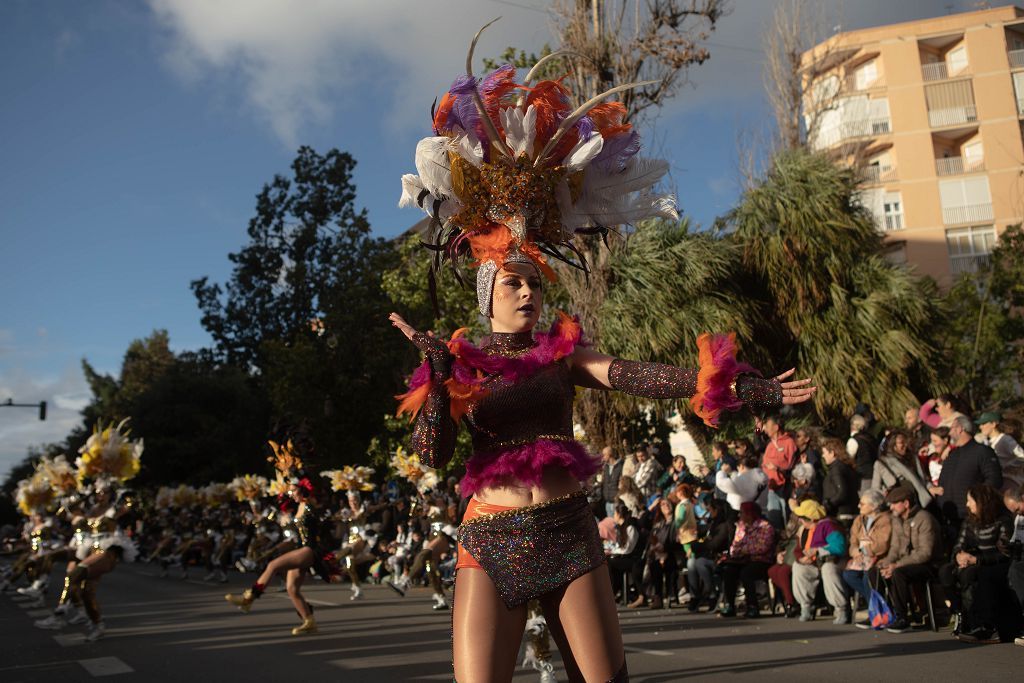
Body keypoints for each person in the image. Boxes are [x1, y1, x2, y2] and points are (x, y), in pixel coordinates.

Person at [392, 43, 815, 681]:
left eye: (536, 281)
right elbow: (430, 454)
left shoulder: (564, 354)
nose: (530, 291)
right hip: (490, 537)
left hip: (567, 530)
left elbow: (634, 375)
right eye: (515, 282)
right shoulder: (461, 362)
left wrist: (733, 386)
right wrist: (442, 374)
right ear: (487, 294)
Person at [225, 443, 337, 636]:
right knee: (292, 589)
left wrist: (297, 471)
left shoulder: (309, 505)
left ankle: (249, 597)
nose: (291, 493)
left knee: (273, 565)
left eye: (294, 490)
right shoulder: (299, 508)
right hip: (302, 548)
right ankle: (309, 621)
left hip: (309, 550)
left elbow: (308, 484)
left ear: (303, 491)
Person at [938, 484, 1013, 643]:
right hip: (970, 559)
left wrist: (976, 560)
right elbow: (960, 543)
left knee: (971, 575)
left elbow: (1005, 552)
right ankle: (958, 612)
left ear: (982, 502)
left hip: (990, 562)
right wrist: (959, 556)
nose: (967, 504)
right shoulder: (970, 521)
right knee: (946, 572)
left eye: (970, 500)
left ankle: (978, 623)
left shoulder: (1003, 520)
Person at [877, 486, 943, 633]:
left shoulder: (924, 518)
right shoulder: (897, 519)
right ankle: (883, 614)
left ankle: (902, 618)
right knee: (877, 570)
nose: (891, 507)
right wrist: (886, 563)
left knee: (898, 573)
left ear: (906, 504)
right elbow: (895, 548)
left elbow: (925, 553)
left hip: (929, 565)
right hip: (906, 562)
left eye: (895, 503)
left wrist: (896, 565)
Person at [931, 416, 1002, 535]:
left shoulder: (982, 451)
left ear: (960, 429)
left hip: (974, 519)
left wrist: (977, 501)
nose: (949, 432)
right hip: (950, 520)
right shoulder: (951, 456)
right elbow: (942, 484)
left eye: (952, 428)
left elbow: (995, 479)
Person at [789, 499, 849, 624]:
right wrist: (801, 558)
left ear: (811, 519)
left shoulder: (829, 526)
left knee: (828, 569)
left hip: (833, 561)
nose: (800, 521)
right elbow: (798, 550)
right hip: (814, 563)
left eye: (803, 518)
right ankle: (806, 606)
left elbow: (839, 547)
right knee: (799, 568)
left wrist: (817, 551)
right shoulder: (805, 530)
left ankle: (841, 608)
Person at [841, 490, 891, 627]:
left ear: (874, 506)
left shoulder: (885, 519)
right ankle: (878, 606)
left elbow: (882, 544)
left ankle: (876, 613)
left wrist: (866, 549)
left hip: (879, 558)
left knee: (868, 577)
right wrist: (855, 551)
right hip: (862, 559)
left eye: (862, 504)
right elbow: (853, 541)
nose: (858, 506)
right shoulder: (859, 520)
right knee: (848, 575)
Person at [719, 502, 775, 618]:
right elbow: (734, 546)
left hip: (760, 560)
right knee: (729, 570)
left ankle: (752, 606)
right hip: (742, 560)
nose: (740, 516)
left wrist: (744, 550)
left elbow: (762, 547)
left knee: (747, 573)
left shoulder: (765, 527)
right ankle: (730, 605)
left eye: (742, 513)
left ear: (750, 514)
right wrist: (738, 551)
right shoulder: (741, 527)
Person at [687, 499, 734, 612]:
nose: (709, 513)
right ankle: (695, 596)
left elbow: (714, 544)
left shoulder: (724, 525)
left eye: (711, 510)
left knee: (700, 563)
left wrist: (695, 546)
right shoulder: (714, 523)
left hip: (721, 557)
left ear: (717, 510)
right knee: (691, 562)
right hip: (712, 555)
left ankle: (711, 593)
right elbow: (706, 530)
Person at [871, 429, 932, 509]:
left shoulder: (913, 458)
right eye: (901, 443)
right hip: (898, 505)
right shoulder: (881, 464)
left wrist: (930, 487)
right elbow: (875, 489)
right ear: (892, 445)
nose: (905, 445)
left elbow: (923, 478)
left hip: (920, 500)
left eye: (905, 442)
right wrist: (885, 492)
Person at [761, 414, 797, 529]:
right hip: (772, 489)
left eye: (767, 426)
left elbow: (793, 467)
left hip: (785, 489)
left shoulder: (789, 443)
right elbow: (764, 465)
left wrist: (778, 469)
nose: (765, 429)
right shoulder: (770, 445)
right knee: (773, 520)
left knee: (788, 519)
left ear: (776, 427)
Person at [976, 412, 1024, 491]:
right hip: (1001, 484)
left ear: (993, 424)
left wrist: (1009, 466)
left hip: (1013, 483)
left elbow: (1022, 456)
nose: (980, 427)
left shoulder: (1005, 439)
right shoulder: (987, 442)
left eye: (983, 423)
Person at [820, 437, 860, 522]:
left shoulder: (836, 469)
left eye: (824, 452)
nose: (823, 456)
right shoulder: (846, 467)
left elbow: (842, 492)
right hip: (850, 511)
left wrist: (827, 505)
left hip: (841, 514)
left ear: (832, 453)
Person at [846, 414, 878, 491]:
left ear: (852, 426)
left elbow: (848, 460)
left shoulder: (853, 441)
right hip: (875, 475)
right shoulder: (871, 438)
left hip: (862, 478)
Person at [600, 447, 623, 520]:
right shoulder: (605, 467)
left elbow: (622, 484)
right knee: (610, 524)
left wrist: (618, 497)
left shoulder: (620, 466)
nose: (602, 457)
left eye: (604, 455)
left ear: (609, 454)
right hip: (607, 502)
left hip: (616, 503)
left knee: (617, 525)